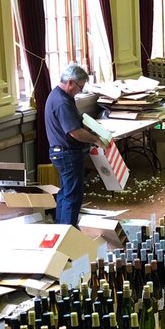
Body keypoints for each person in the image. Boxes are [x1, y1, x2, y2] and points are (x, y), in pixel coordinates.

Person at [44, 63, 105, 226]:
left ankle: (61, 229)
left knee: (65, 193)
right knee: (72, 196)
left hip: (60, 152)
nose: (80, 91)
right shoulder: (62, 102)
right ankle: (68, 231)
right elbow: (75, 132)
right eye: (80, 87)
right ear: (70, 82)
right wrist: (95, 140)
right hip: (67, 154)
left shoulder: (57, 95)